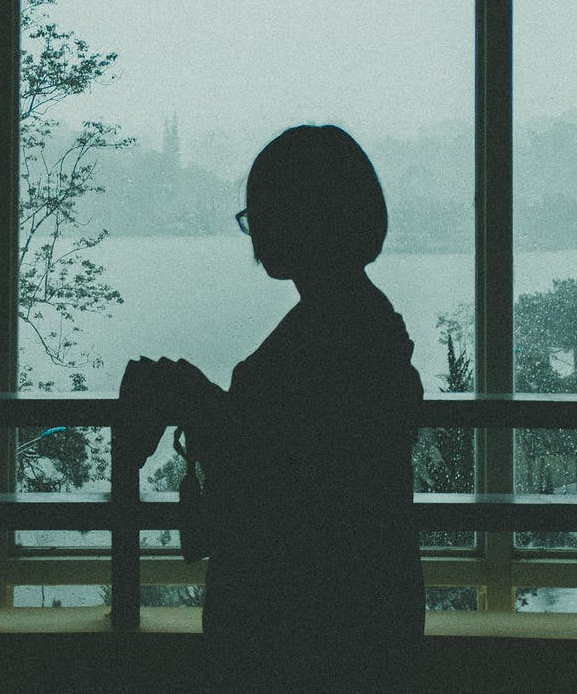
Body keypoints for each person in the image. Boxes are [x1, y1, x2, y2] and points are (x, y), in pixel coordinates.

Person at [120, 125, 424, 693]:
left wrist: (201, 405)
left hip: (301, 624)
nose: (253, 227)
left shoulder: (330, 335)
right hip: (365, 610)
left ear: (301, 216)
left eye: (258, 211)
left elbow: (289, 478)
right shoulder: (365, 324)